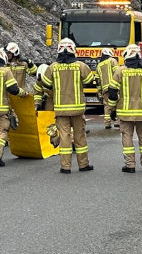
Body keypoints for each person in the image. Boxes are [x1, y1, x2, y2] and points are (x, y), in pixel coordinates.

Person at [37, 38, 97, 173]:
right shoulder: (80, 66)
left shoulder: (53, 67)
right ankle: (83, 165)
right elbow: (89, 81)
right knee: (79, 136)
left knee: (64, 137)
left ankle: (65, 166)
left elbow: (45, 83)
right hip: (77, 108)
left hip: (61, 108)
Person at [108, 44, 142, 172]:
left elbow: (112, 92)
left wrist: (112, 109)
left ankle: (130, 165)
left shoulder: (120, 71)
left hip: (125, 113)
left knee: (127, 137)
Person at [96, 47, 118, 129]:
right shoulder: (112, 61)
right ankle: (117, 121)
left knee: (107, 106)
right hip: (114, 87)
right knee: (117, 104)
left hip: (104, 89)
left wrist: (99, 90)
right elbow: (117, 73)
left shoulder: (99, 65)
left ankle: (107, 123)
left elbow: (97, 80)